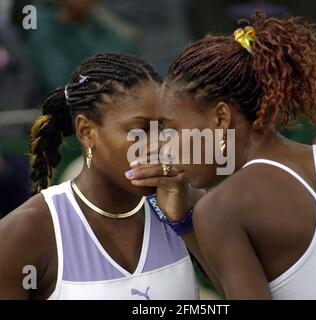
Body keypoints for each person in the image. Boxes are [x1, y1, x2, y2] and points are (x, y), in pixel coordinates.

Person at [127, 12, 316, 299]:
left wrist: (191, 218)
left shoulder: (220, 208)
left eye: (170, 127)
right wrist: (184, 219)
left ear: (221, 117)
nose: (164, 145)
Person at [0, 52, 200, 300]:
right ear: (87, 132)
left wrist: (185, 223)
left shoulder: (186, 203)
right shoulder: (25, 232)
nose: (158, 144)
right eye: (140, 131)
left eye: (164, 128)